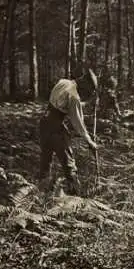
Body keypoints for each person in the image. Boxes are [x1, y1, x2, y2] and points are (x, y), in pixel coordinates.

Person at [39, 66, 98, 195]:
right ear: (84, 82)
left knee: (45, 162)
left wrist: (86, 104)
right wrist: (89, 141)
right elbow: (77, 123)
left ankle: (40, 196)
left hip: (44, 125)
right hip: (56, 130)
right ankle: (77, 199)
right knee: (69, 165)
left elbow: (63, 103)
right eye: (89, 88)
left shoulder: (63, 82)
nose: (87, 91)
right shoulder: (74, 97)